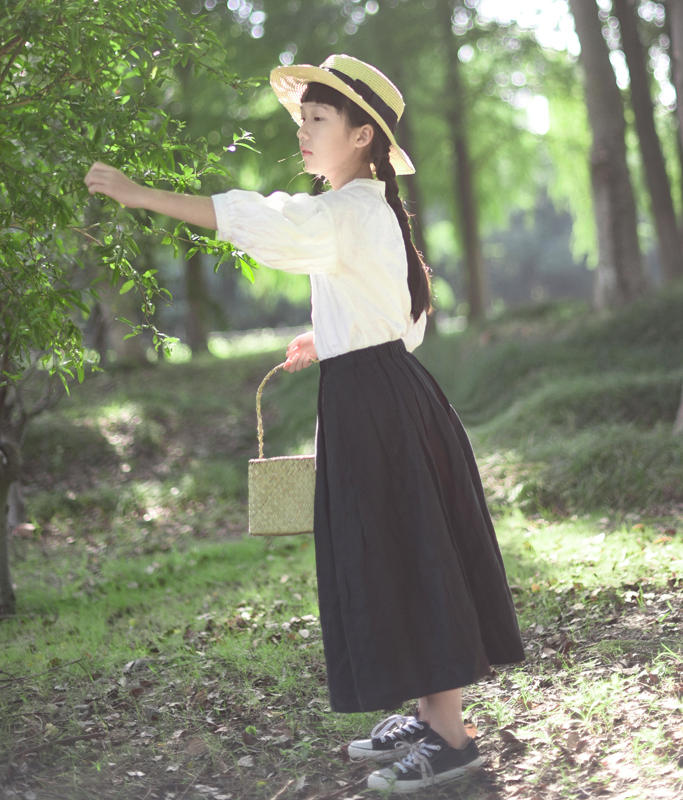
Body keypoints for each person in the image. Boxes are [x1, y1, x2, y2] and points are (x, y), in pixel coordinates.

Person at [85, 53, 525, 794]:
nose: (304, 133)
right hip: (379, 392)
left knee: (407, 548)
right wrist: (332, 337)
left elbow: (270, 220)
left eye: (318, 120)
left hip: (378, 405)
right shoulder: (369, 208)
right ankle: (432, 719)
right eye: (303, 120)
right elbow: (404, 315)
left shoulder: (348, 210)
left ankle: (450, 741)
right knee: (398, 546)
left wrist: (142, 196)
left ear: (361, 135)